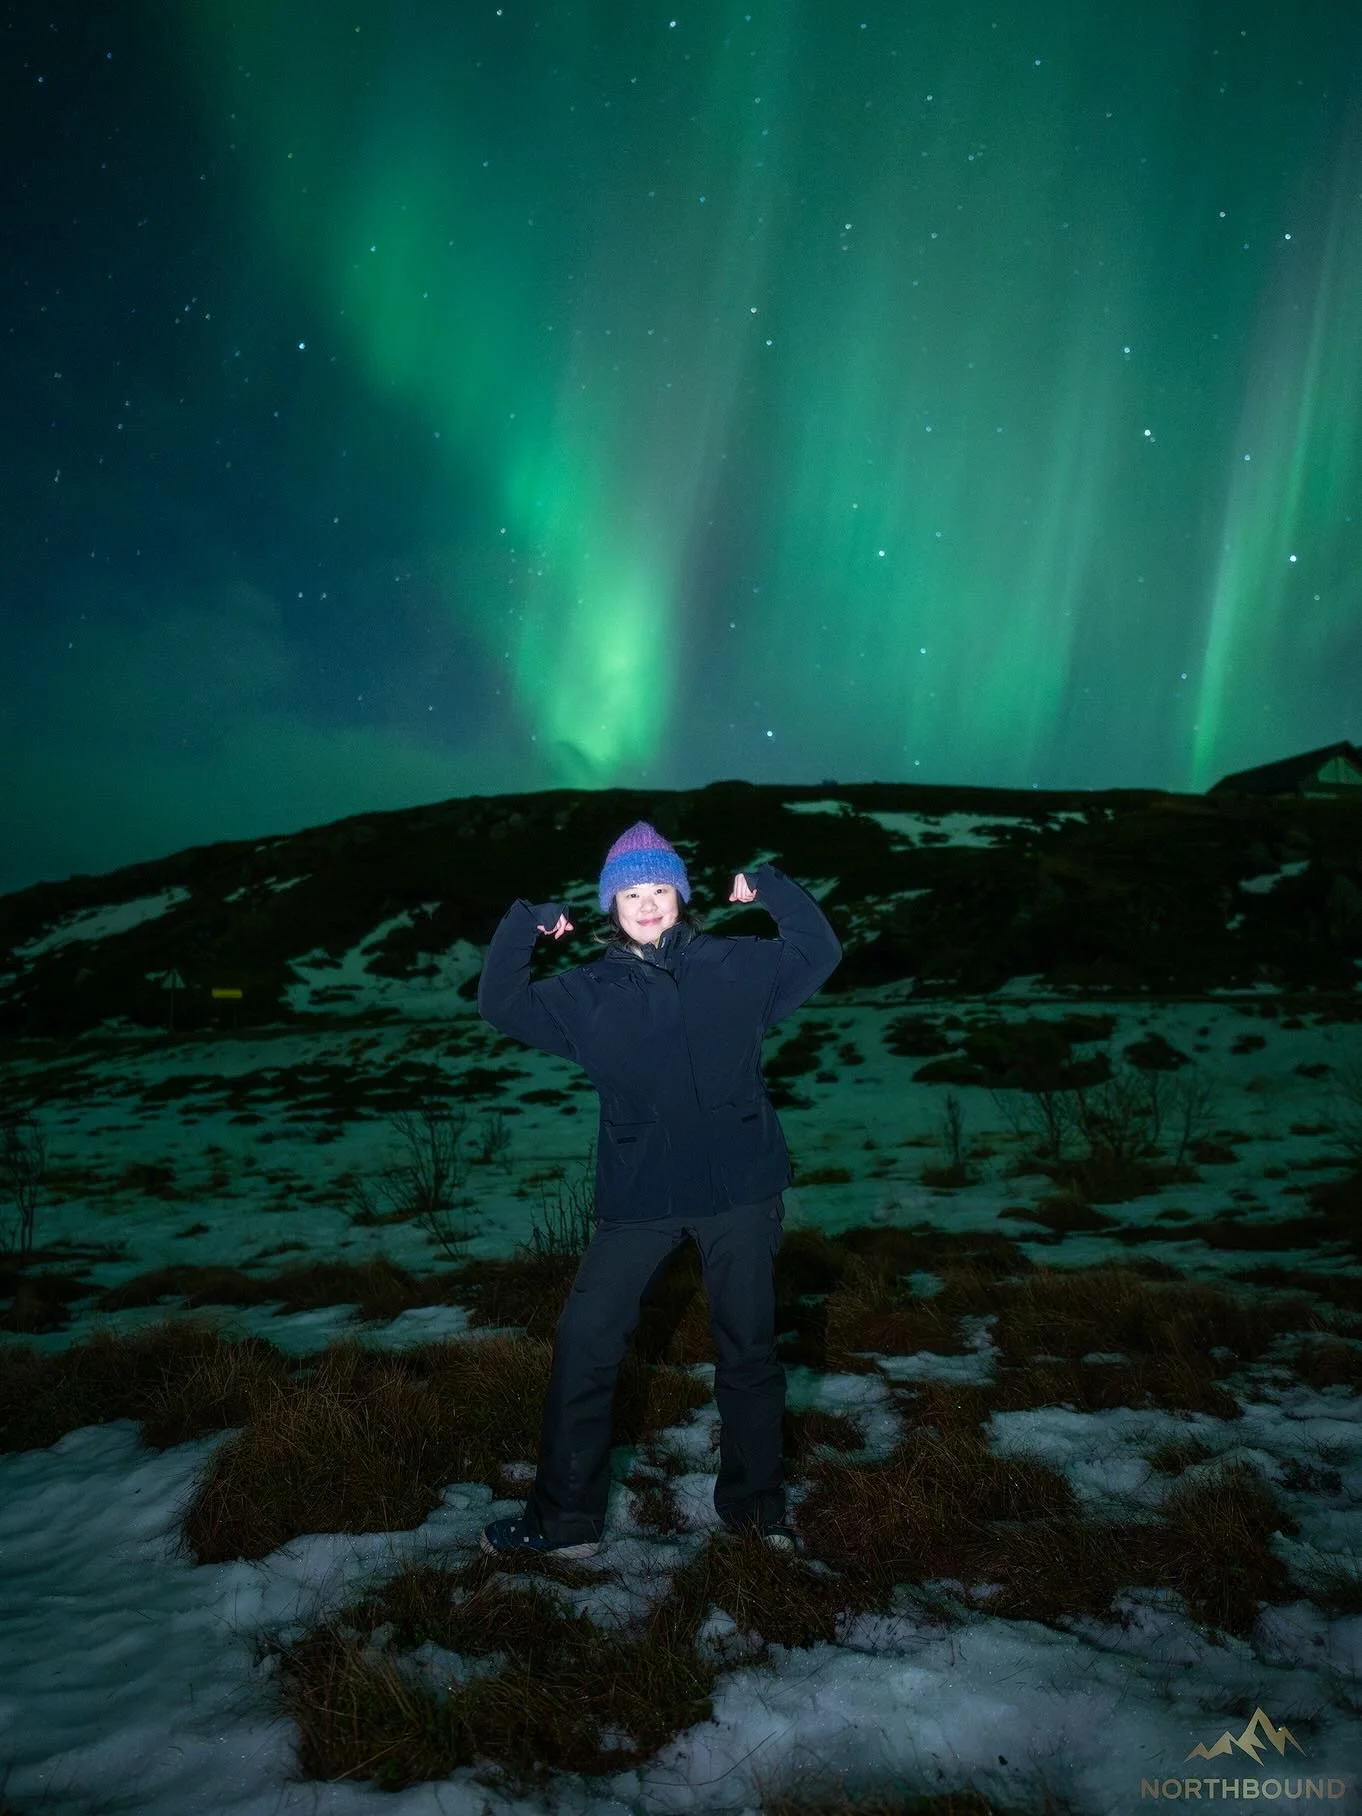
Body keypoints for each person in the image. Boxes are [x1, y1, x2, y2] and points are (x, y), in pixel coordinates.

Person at [475, 819, 842, 1558]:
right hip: (640, 1196)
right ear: (611, 906)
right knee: (585, 1341)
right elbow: (501, 1003)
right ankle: (565, 1521)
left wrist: (769, 886)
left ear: (681, 895)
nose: (647, 904)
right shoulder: (583, 992)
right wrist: (525, 924)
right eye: (630, 892)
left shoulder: (737, 965)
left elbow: (819, 950)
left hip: (741, 1189)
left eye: (659, 889)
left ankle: (754, 1513)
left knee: (749, 1350)